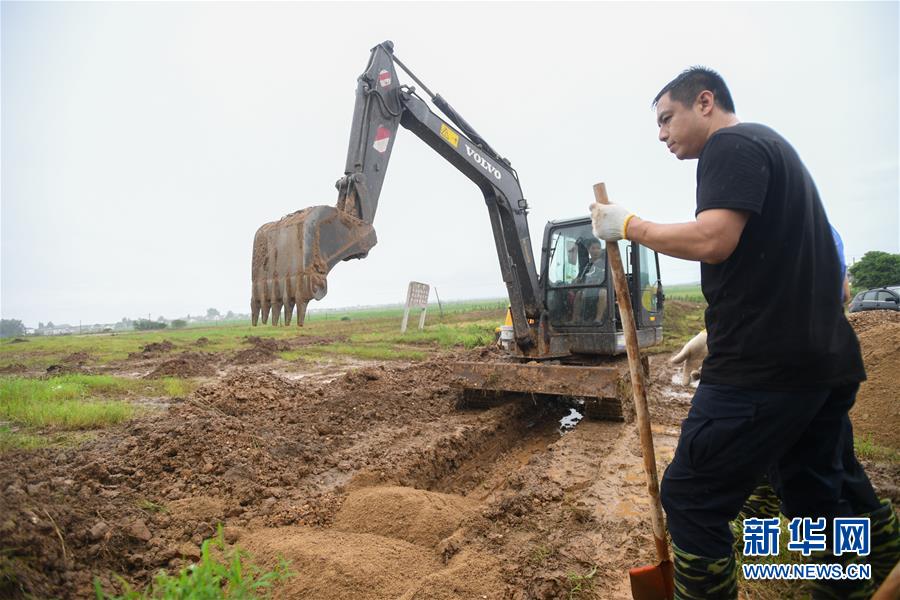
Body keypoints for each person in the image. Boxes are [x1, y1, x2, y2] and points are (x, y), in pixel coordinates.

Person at [590, 67, 899, 599]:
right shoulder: (776, 153)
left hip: (761, 375)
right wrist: (715, 332)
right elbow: (797, 272)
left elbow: (715, 240)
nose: (661, 134)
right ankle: (867, 579)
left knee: (690, 496)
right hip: (822, 366)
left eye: (667, 119)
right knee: (819, 493)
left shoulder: (729, 145)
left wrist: (630, 226)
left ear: (704, 102)